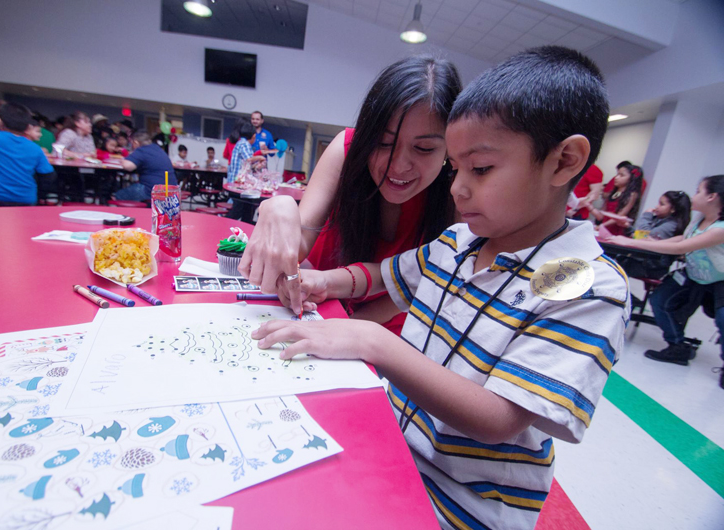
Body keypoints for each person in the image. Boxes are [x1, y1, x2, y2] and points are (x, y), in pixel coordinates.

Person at [254, 46, 626, 530]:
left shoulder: (587, 284)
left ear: (564, 162)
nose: (456, 188)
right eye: (456, 168)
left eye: (481, 169)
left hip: (463, 503)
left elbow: (499, 417)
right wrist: (324, 280)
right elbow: (385, 275)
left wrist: (374, 342)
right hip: (393, 454)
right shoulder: (459, 240)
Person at [240, 56, 461, 336]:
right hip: (312, 313)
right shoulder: (347, 150)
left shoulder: (457, 192)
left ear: (449, 149)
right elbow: (297, 247)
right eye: (383, 142)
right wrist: (280, 209)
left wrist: (335, 331)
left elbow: (411, 289)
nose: (399, 165)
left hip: (381, 340)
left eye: (425, 148)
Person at [608, 175, 724, 381]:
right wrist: (644, 240)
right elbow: (684, 238)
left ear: (712, 196)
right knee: (660, 300)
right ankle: (678, 346)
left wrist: (632, 243)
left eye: (699, 191)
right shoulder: (699, 220)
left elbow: (682, 247)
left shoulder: (720, 229)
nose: (694, 195)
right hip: (694, 275)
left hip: (719, 281)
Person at [114, 131, 176, 202]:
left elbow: (128, 166)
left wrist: (123, 160)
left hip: (152, 191)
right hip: (171, 191)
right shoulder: (157, 148)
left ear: (136, 143)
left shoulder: (142, 150)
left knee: (119, 195)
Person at [588, 163, 644, 235]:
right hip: (604, 228)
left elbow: (620, 215)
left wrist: (602, 226)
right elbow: (601, 216)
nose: (616, 177)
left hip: (616, 231)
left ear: (631, 178)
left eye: (621, 175)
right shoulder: (612, 192)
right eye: (617, 174)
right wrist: (589, 206)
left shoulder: (632, 194)